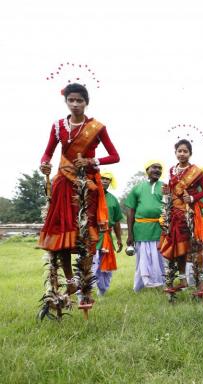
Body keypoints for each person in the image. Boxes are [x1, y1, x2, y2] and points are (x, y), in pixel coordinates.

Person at [39, 83, 119, 312]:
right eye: (71, 100)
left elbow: (115, 156)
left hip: (86, 186)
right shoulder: (57, 127)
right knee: (60, 232)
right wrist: (44, 164)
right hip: (63, 183)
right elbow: (48, 152)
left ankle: (85, 286)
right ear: (66, 101)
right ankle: (70, 280)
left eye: (79, 100)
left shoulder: (97, 127)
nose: (75, 104)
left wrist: (92, 161)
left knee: (84, 235)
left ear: (86, 102)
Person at [160, 139, 203, 297]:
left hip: (190, 213)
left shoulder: (196, 171)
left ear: (190, 153)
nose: (182, 154)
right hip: (175, 214)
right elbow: (173, 190)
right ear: (175, 153)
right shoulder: (172, 170)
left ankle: (200, 283)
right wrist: (166, 192)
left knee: (195, 248)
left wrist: (194, 198)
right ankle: (182, 279)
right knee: (178, 248)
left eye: (185, 151)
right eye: (179, 151)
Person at [125, 161, 166, 291]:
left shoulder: (165, 187)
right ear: (147, 169)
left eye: (159, 168)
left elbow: (170, 206)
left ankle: (161, 284)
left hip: (160, 229)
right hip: (141, 230)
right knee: (142, 260)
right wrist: (130, 234)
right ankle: (140, 286)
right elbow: (130, 211)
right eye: (154, 167)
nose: (157, 170)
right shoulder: (137, 188)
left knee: (160, 258)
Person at [92, 171, 123, 296]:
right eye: (102, 178)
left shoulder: (113, 199)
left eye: (107, 179)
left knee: (106, 267)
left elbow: (116, 222)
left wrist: (119, 239)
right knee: (91, 265)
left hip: (107, 237)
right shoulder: (90, 196)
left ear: (111, 182)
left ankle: (102, 291)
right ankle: (85, 292)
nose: (104, 181)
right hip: (92, 236)